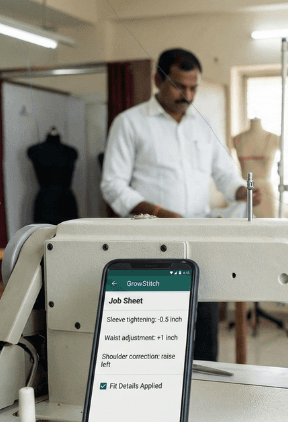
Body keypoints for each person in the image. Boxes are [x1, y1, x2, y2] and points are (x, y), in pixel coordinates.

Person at [101, 48, 261, 361]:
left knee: (204, 328)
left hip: (200, 240)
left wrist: (241, 191)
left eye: (192, 88)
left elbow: (226, 176)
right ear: (158, 80)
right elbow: (112, 185)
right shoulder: (130, 123)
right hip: (151, 242)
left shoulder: (203, 125)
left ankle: (205, 393)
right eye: (179, 86)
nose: (187, 95)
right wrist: (159, 213)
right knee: (156, 332)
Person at [27, 126, 79, 225]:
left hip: (66, 202)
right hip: (45, 202)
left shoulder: (71, 152)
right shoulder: (35, 150)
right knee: (43, 236)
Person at [233, 118, 279, 218]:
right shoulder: (237, 139)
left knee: (268, 229)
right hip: (244, 192)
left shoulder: (274, 138)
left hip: (265, 193)